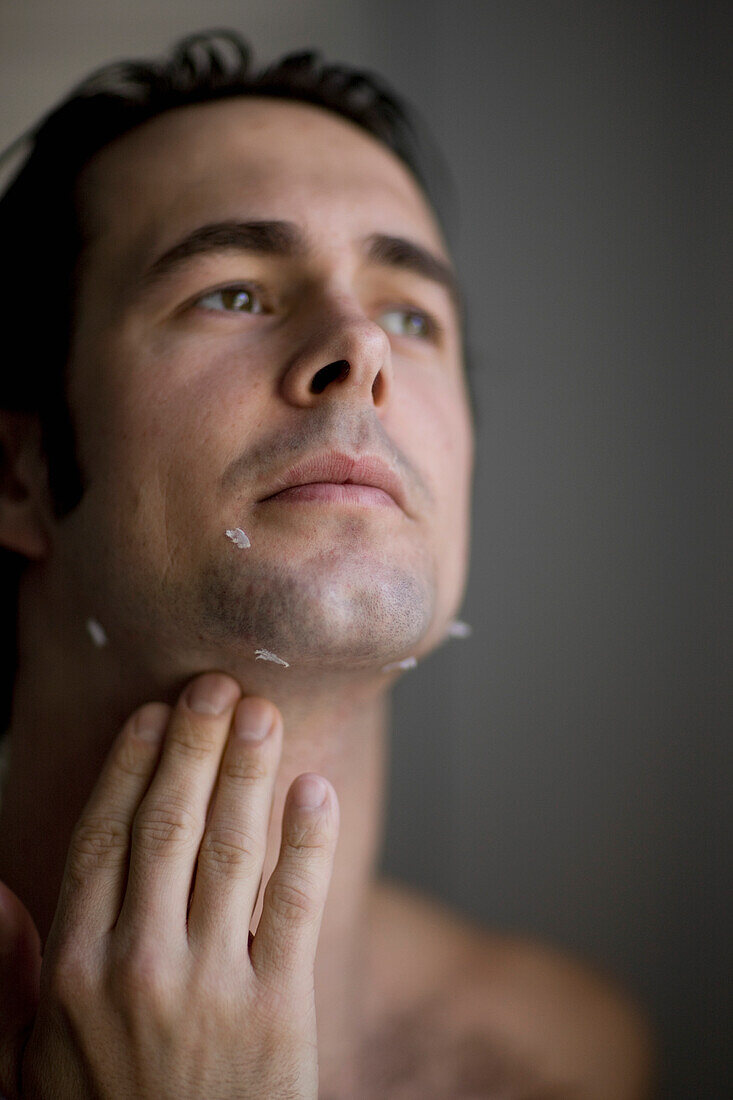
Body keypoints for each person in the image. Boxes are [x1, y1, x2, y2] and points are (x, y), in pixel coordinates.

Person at [0, 30, 657, 1099]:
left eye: (412, 312)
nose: (363, 349)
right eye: (234, 292)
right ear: (17, 474)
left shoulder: (562, 1055)